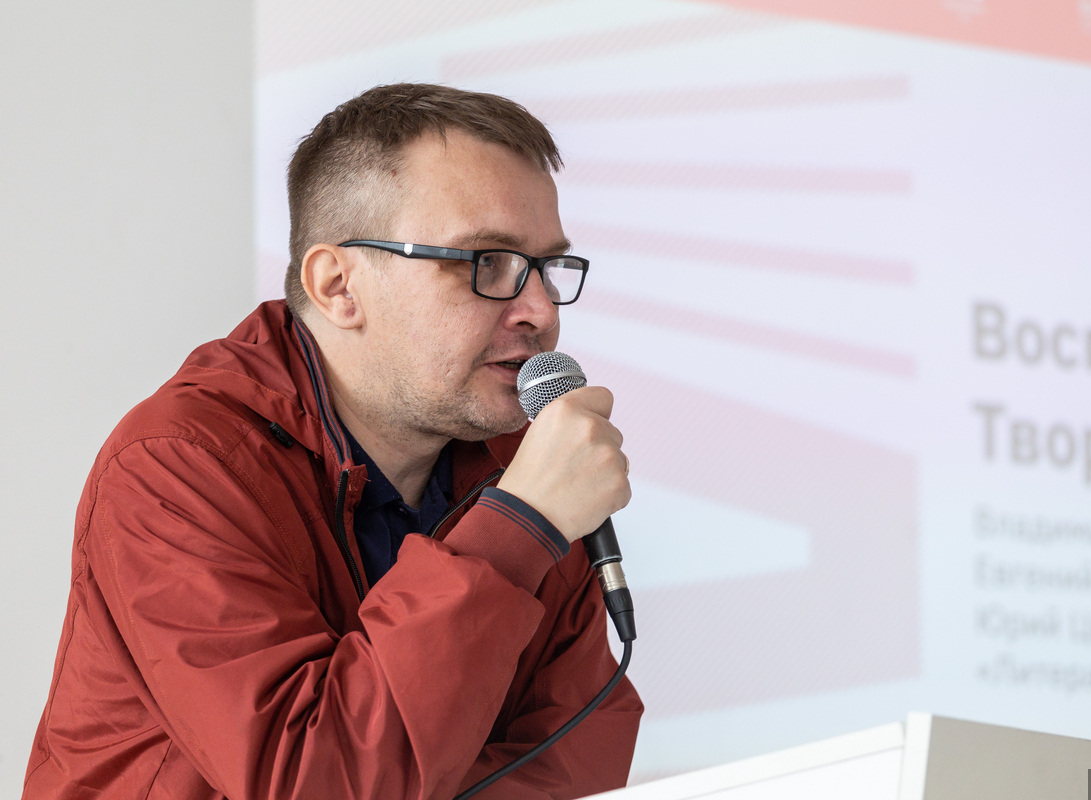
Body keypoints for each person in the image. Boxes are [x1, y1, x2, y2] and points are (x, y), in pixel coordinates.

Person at [23, 83, 642, 800]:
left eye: (546, 267)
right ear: (339, 286)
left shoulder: (517, 460)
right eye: (486, 263)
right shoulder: (177, 467)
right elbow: (310, 780)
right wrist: (519, 528)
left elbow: (583, 753)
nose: (538, 310)